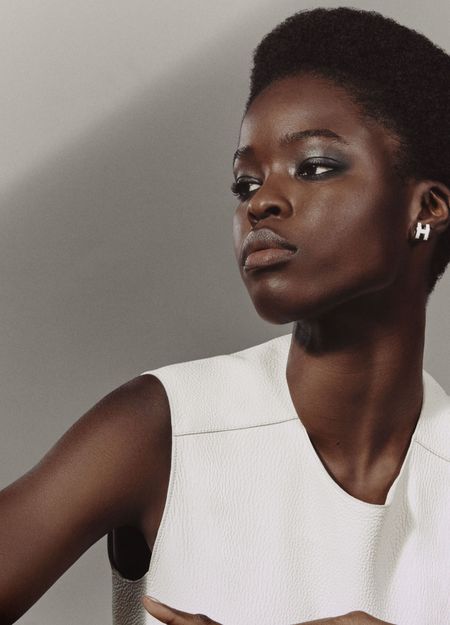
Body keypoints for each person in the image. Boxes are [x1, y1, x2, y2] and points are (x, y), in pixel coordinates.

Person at [1, 6, 450, 625]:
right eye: (245, 184)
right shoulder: (166, 427)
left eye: (314, 167)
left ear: (427, 208)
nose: (260, 202)